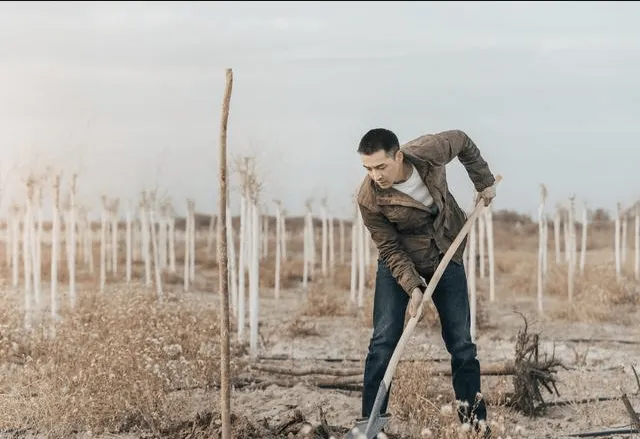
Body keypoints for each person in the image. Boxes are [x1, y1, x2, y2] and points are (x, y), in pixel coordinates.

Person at [355, 127, 497, 436]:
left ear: (399, 156)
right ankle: (371, 425)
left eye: (381, 166)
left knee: (461, 344)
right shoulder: (369, 198)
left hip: (447, 250)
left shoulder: (430, 150)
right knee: (383, 342)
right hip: (400, 261)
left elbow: (462, 140)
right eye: (368, 168)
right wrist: (413, 287)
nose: (375, 175)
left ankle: (473, 425)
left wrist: (483, 182)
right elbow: (389, 247)